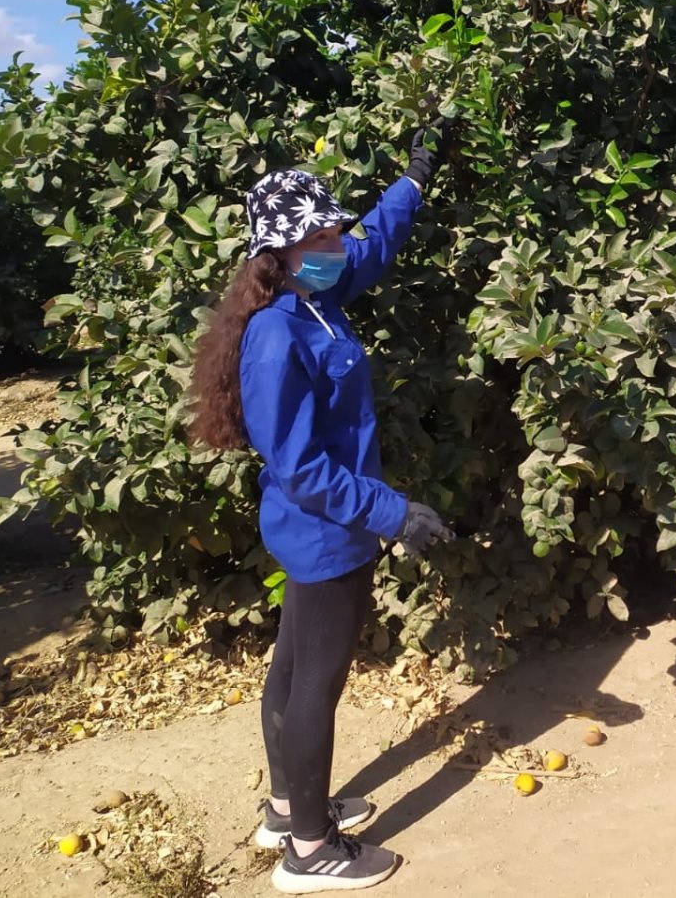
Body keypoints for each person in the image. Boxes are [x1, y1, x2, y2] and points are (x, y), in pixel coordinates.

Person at [188, 125, 455, 892]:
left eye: (334, 229)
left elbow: (372, 243)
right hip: (326, 531)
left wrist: (414, 180)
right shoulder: (277, 335)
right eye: (322, 234)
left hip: (318, 531)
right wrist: (393, 513)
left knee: (294, 664)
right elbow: (302, 467)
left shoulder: (315, 298)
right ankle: (309, 848)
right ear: (281, 252)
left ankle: (285, 809)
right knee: (316, 684)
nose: (338, 241)